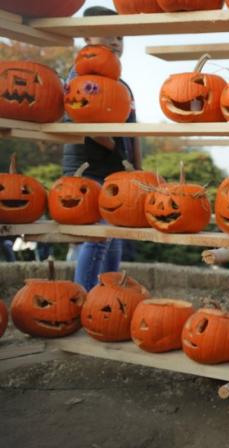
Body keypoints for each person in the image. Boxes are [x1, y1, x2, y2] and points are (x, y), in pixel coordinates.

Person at [62, 5, 140, 291]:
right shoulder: (77, 78)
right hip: (86, 167)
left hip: (116, 171)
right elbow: (84, 121)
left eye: (120, 36)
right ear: (86, 38)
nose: (115, 41)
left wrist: (137, 168)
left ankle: (109, 294)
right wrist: (117, 153)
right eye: (107, 34)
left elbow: (133, 133)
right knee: (97, 237)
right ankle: (84, 295)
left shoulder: (123, 87)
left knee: (113, 234)